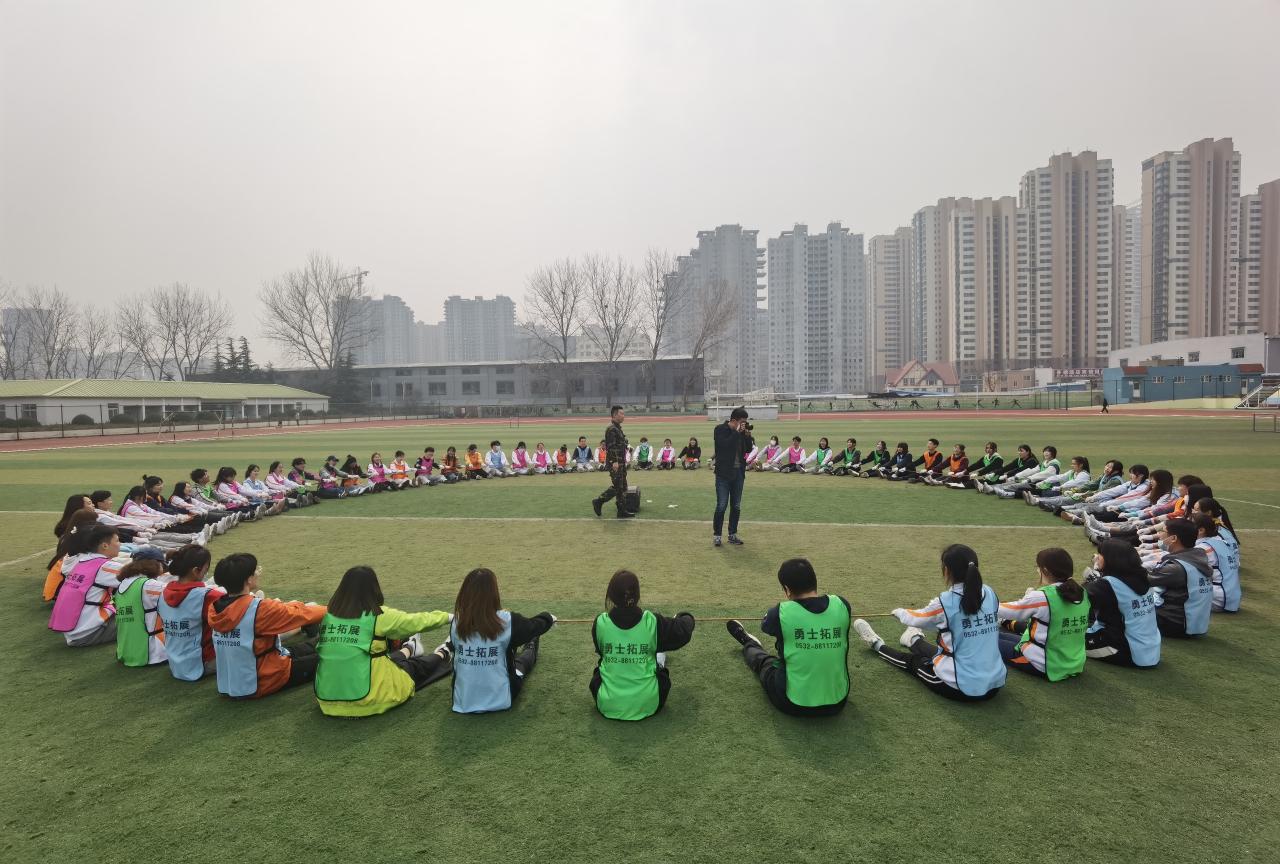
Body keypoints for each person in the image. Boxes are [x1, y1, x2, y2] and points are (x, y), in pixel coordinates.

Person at [852, 544, 1004, 701]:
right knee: (944, 652)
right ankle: (913, 640)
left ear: (947, 570)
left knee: (913, 662)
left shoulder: (945, 602)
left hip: (959, 687)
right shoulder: (989, 592)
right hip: (994, 685)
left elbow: (918, 618)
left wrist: (899, 612)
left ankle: (876, 644)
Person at [315, 566, 453, 718]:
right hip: (371, 699)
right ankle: (444, 652)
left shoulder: (329, 616)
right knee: (413, 667)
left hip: (327, 701)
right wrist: (449, 617)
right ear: (373, 588)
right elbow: (416, 621)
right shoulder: (378, 615)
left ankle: (410, 648)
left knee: (377, 658)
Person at [725, 558, 849, 716]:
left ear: (787, 589)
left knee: (766, 663)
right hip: (837, 702)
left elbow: (766, 626)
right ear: (814, 581)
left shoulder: (780, 612)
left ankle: (748, 642)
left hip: (791, 703)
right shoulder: (842, 604)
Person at [208, 552, 326, 699]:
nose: (258, 574)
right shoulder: (259, 609)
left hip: (232, 683)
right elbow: (303, 614)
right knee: (330, 658)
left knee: (310, 646)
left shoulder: (214, 608)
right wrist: (336, 609)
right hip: (264, 680)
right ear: (248, 579)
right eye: (255, 571)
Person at [590, 569, 695, 721]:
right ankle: (658, 658)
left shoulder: (600, 623)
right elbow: (683, 631)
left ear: (611, 596)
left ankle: (656, 657)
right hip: (650, 703)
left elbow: (602, 652)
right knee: (661, 671)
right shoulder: (652, 621)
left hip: (607, 703)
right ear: (638, 595)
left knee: (599, 669)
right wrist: (684, 616)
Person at [449, 567, 555, 713]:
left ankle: (527, 643)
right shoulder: (507, 620)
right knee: (520, 664)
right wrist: (548, 617)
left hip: (463, 701)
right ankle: (531, 644)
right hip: (501, 699)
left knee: (509, 646)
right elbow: (535, 625)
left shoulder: (456, 621)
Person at [995, 548, 1090, 681]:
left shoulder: (1042, 596)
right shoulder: (1082, 593)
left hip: (1043, 664)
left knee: (984, 642)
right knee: (996, 635)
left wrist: (983, 602)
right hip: (1074, 662)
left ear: (1045, 570)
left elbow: (1010, 611)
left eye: (1038, 567)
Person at [1082, 540, 1161, 668]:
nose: (1097, 558)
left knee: (1066, 636)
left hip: (1125, 650)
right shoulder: (1143, 576)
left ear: (1111, 559)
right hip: (1150, 649)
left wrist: (1093, 578)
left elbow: (1078, 598)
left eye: (1100, 554)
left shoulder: (1107, 584)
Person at [48, 525, 124, 646]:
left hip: (75, 630)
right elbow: (139, 579)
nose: (120, 544)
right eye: (117, 540)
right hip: (90, 632)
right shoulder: (103, 566)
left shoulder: (83, 561)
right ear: (105, 545)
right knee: (146, 614)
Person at [158, 545, 223, 681]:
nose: (205, 573)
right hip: (203, 663)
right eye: (205, 569)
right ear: (195, 571)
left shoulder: (163, 594)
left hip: (175, 664)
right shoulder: (208, 596)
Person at [1147, 518, 1213, 638]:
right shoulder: (1197, 558)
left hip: (1174, 623)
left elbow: (1140, 580)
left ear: (1173, 538)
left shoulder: (1177, 568)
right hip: (1192, 623)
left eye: (1162, 531)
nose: (1159, 534)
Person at [113, 549, 174, 667]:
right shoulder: (148, 585)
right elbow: (179, 593)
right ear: (155, 563)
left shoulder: (123, 584)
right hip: (153, 654)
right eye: (161, 564)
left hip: (126, 652)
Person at [712, 407, 751, 548]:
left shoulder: (740, 433)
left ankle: (732, 534)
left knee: (736, 506)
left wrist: (747, 436)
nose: (744, 424)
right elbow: (724, 446)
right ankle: (717, 535)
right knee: (721, 505)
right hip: (723, 474)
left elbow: (748, 449)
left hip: (738, 473)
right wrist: (736, 433)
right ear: (734, 420)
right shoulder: (720, 429)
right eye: (742, 422)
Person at [1194, 498, 1240, 612]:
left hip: (1219, 597)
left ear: (1201, 530)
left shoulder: (1204, 547)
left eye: (1197, 510)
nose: (1194, 512)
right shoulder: (1218, 537)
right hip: (1231, 595)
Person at [592, 405, 633, 520]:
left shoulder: (617, 428)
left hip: (621, 462)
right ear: (615, 415)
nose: (623, 416)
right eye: (621, 414)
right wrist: (614, 461)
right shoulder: (611, 429)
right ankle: (599, 501)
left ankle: (621, 510)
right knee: (618, 486)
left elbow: (620, 444)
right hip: (616, 462)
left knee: (622, 486)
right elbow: (611, 446)